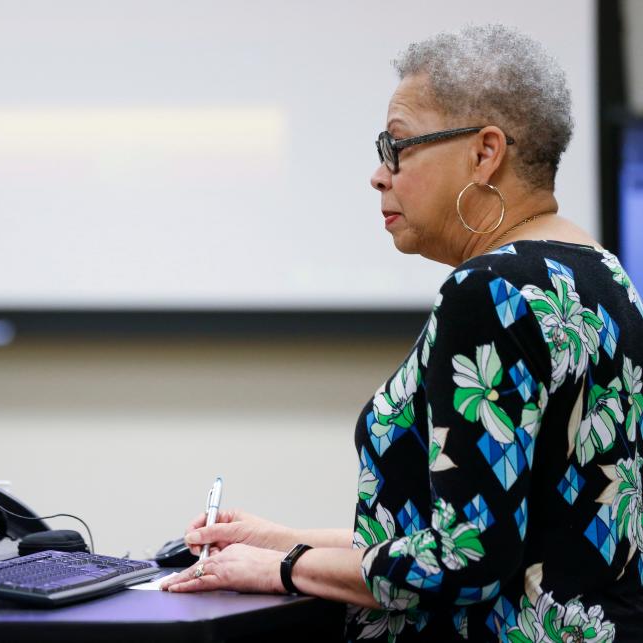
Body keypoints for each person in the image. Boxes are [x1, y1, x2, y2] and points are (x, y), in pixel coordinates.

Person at [160, 23, 643, 641]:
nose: (379, 175)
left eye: (399, 146)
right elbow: (512, 532)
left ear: (484, 152)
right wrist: (278, 539)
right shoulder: (601, 272)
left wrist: (283, 568)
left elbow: (465, 561)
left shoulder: (487, 292)